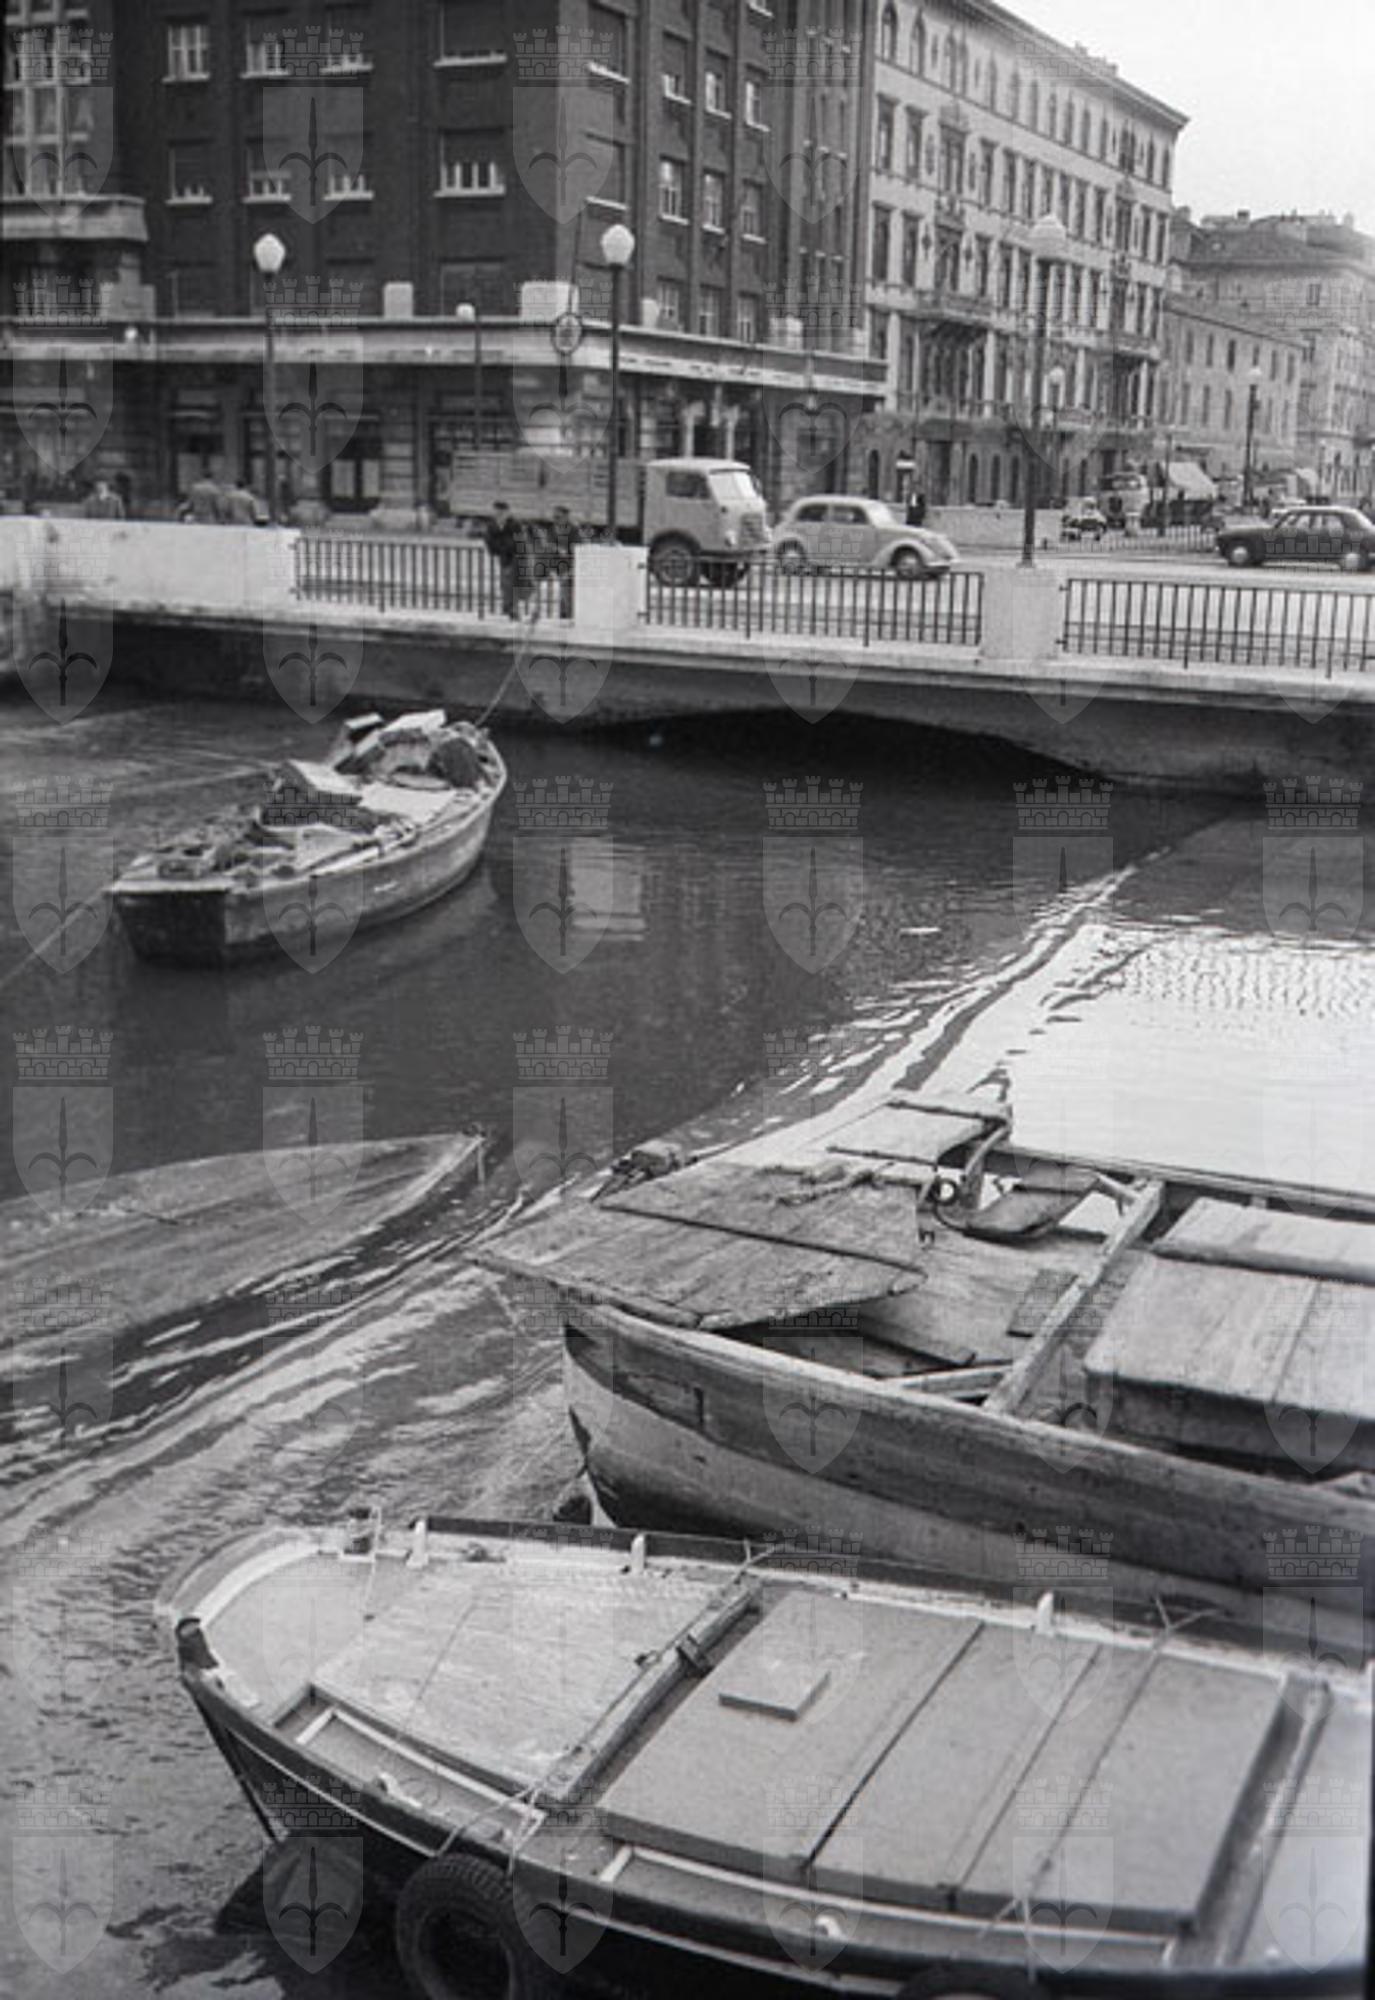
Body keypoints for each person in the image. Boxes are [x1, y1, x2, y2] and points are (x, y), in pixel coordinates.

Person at [484, 500, 535, 621]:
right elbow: (490, 542)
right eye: (497, 512)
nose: (499, 515)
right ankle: (510, 608)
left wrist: (503, 546)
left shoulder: (515, 525)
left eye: (501, 513)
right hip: (505, 558)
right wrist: (502, 547)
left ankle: (512, 608)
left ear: (507, 513)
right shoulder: (492, 526)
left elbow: (519, 542)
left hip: (517, 557)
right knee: (506, 583)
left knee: (512, 583)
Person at [546, 503, 583, 619]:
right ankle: (564, 616)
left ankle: (569, 616)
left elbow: (577, 550)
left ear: (566, 517)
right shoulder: (553, 530)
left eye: (558, 517)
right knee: (563, 594)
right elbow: (550, 548)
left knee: (568, 594)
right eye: (554, 517)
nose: (555, 520)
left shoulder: (574, 530)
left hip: (570, 567)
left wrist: (565, 552)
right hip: (559, 567)